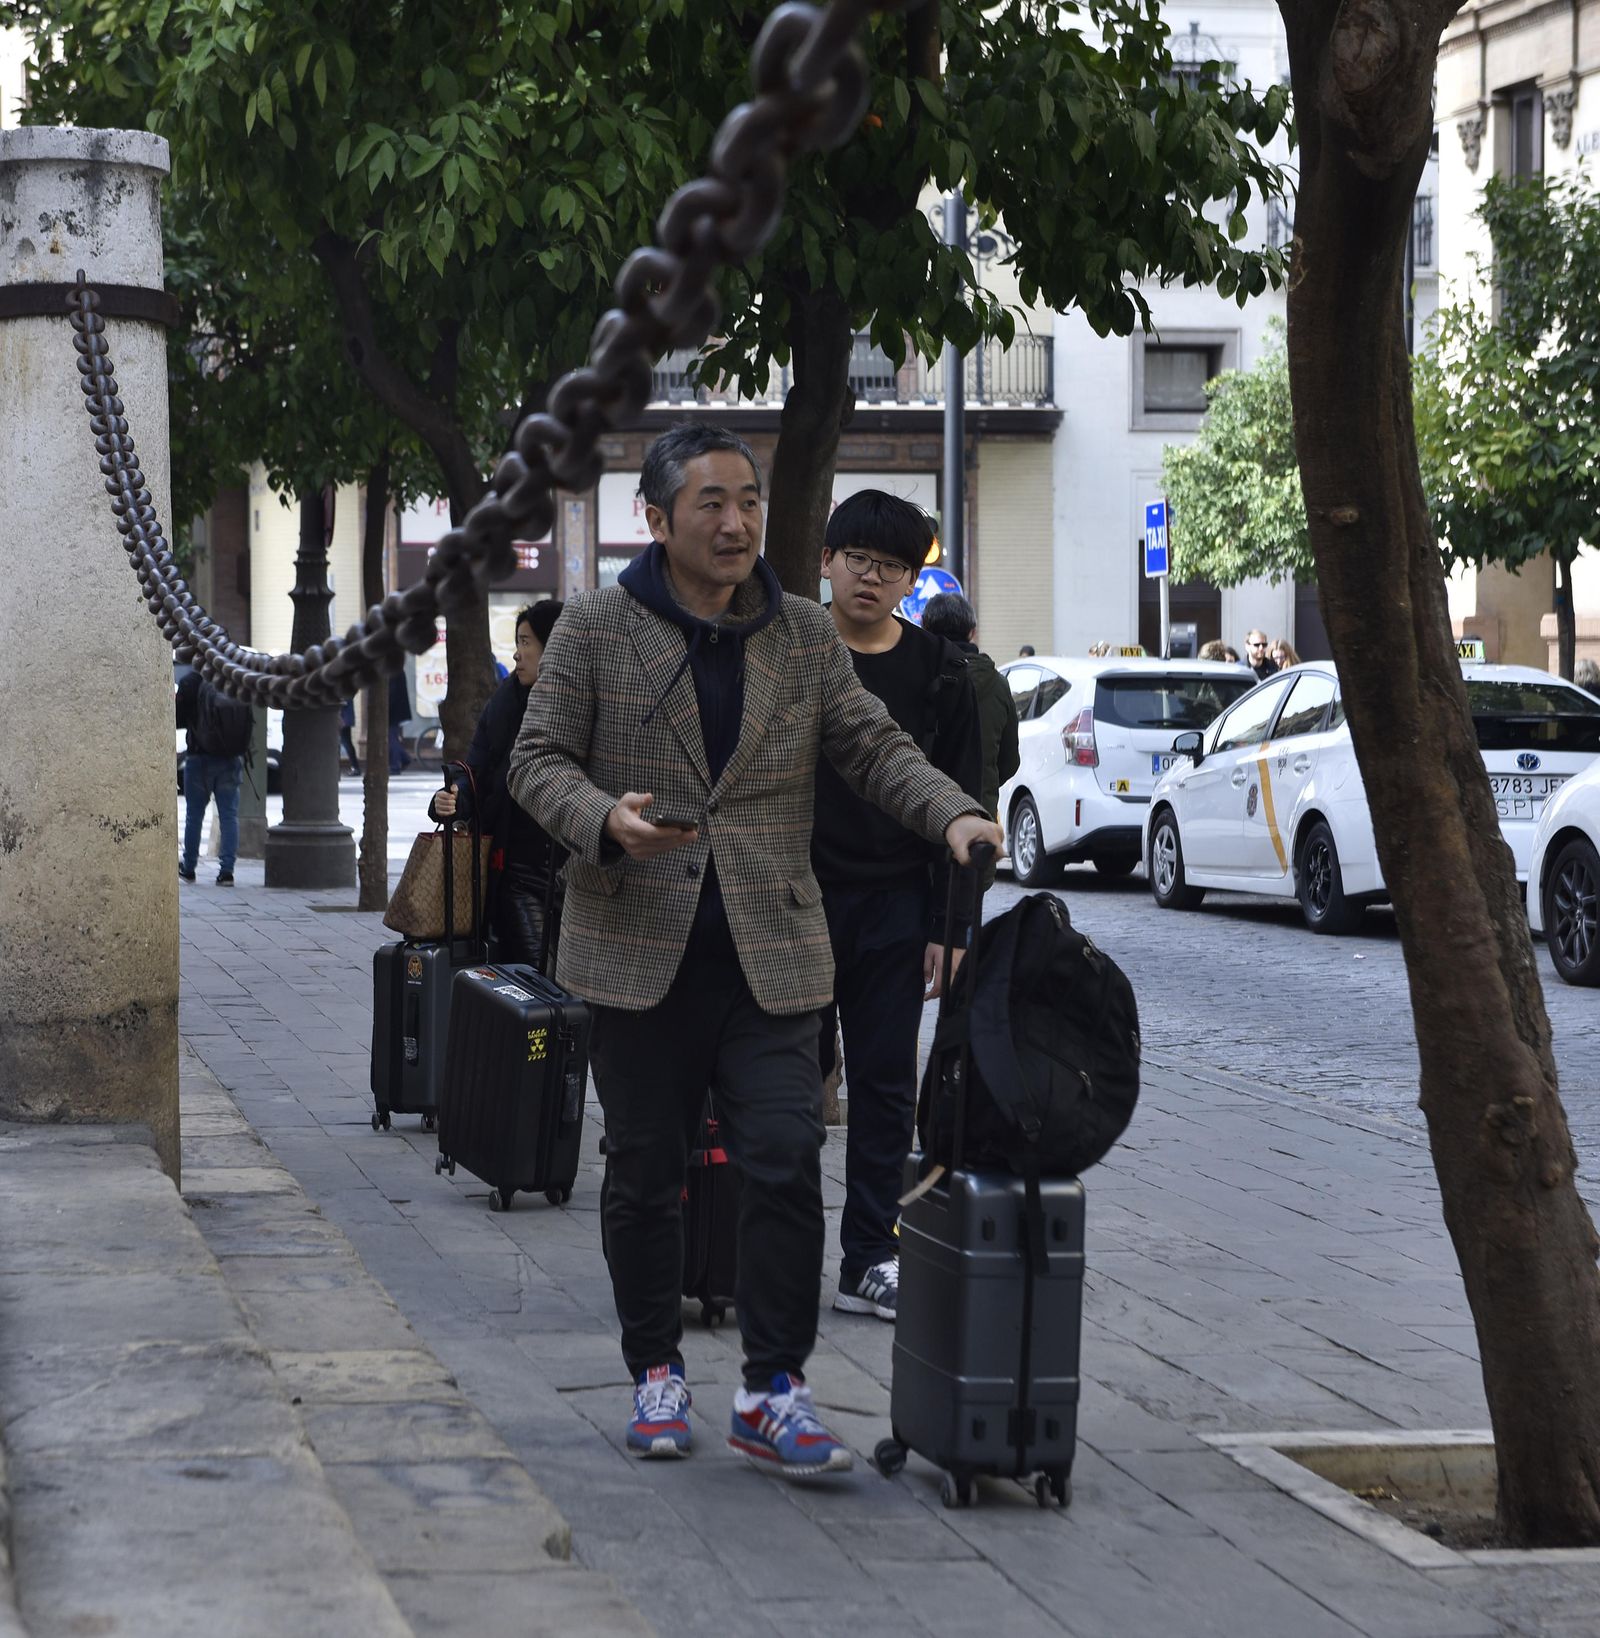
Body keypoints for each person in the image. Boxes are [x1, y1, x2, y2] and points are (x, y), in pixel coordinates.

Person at [508, 423, 1000, 1480]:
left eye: (748, 501)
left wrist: (952, 815)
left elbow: (869, 744)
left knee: (782, 1155)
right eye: (709, 504)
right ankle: (655, 1370)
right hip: (638, 949)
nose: (735, 523)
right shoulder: (596, 627)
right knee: (645, 1170)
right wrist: (604, 820)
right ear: (656, 516)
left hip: (773, 952)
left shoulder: (804, 637)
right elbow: (536, 761)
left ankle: (773, 1387)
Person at [814, 503, 985, 1326]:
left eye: (892, 566)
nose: (872, 577)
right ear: (826, 562)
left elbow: (965, 812)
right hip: (791, 901)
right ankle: (757, 1244)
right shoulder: (790, 656)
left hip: (893, 906)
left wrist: (950, 932)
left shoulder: (943, 674)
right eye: (857, 558)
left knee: (885, 1088)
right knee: (778, 1086)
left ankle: (868, 1257)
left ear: (913, 581)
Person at [431, 601, 566, 966]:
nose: (517, 654)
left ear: (554, 645)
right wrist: (452, 798)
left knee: (577, 993)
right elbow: (475, 770)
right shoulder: (506, 702)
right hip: (520, 875)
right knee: (541, 978)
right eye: (517, 642)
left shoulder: (583, 700)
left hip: (577, 877)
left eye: (526, 642)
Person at [921, 588, 1020, 864]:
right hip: (978, 821)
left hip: (918, 823)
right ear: (972, 632)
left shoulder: (917, 676)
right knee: (966, 902)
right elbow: (1010, 762)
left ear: (924, 627)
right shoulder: (998, 685)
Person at [175, 664, 246, 886]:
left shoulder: (190, 682)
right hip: (230, 759)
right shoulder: (233, 681)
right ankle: (227, 871)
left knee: (194, 816)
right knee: (229, 816)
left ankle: (189, 868)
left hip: (199, 758)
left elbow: (177, 719)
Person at [388, 669, 413, 774]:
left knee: (391, 737)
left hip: (393, 711)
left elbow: (392, 692)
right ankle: (404, 758)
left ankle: (395, 766)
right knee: (392, 737)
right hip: (397, 710)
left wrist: (386, 708)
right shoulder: (397, 670)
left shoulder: (393, 671)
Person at [338, 697, 361, 776]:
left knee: (346, 743)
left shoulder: (343, 689)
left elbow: (342, 702)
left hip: (343, 719)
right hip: (345, 718)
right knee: (346, 743)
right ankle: (355, 767)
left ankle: (355, 767)